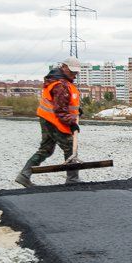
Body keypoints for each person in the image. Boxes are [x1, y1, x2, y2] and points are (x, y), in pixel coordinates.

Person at [16, 57, 83, 187]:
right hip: (54, 120)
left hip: (47, 118)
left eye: (76, 72)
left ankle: (24, 175)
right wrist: (72, 123)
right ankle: (73, 180)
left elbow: (62, 103)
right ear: (63, 67)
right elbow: (60, 110)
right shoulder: (60, 85)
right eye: (71, 71)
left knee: (46, 149)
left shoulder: (59, 81)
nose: (74, 74)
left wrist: (76, 109)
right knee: (69, 146)